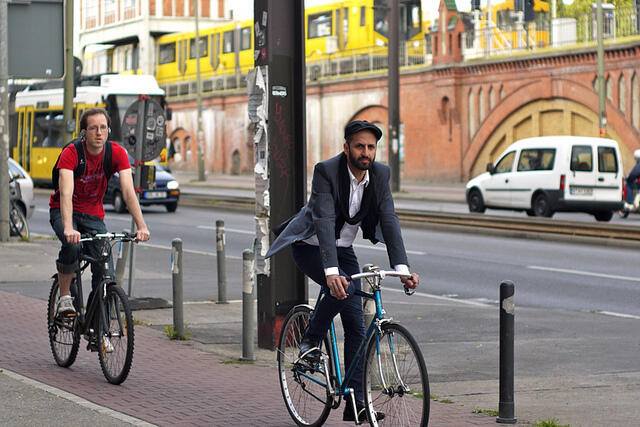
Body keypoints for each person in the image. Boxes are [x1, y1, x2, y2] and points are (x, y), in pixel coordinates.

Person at [266, 120, 419, 423]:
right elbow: (323, 220)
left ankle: (356, 403)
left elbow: (389, 219)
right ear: (346, 147)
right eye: (360, 146)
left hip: (344, 249)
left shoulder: (379, 174)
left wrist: (402, 269)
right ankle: (310, 341)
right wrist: (331, 271)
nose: (366, 152)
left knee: (356, 326)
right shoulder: (326, 171)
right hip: (311, 246)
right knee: (342, 287)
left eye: (371, 147)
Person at [50, 107, 150, 318]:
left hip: (93, 215)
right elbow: (66, 193)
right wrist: (68, 227)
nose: (98, 132)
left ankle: (98, 326)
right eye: (93, 128)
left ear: (108, 130)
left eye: (103, 127)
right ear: (83, 132)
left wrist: (141, 225)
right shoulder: (71, 153)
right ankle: (65, 297)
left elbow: (128, 192)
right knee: (72, 245)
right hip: (63, 210)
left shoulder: (117, 153)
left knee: (105, 271)